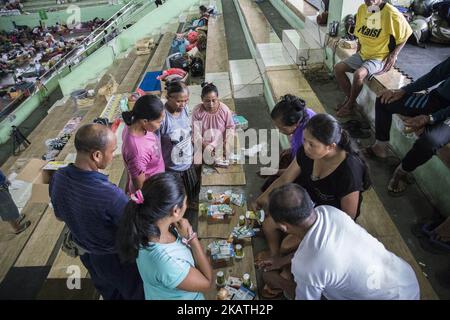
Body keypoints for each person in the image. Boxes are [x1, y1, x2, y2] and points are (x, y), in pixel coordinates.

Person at [254, 114, 371, 298]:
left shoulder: (349, 170)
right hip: (307, 208)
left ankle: (287, 270)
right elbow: (285, 178)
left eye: (311, 144)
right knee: (268, 224)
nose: (305, 147)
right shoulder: (307, 153)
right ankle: (276, 257)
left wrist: (310, 236)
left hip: (329, 223)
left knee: (287, 244)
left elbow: (347, 220)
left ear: (331, 146)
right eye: (305, 141)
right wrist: (259, 200)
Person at [265, 183, 420, 300]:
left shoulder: (307, 264)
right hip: (406, 281)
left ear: (283, 226)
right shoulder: (329, 212)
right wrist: (282, 261)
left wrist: (279, 282)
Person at [49, 124, 144, 300]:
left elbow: (59, 215)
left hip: (85, 252)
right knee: (134, 292)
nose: (113, 155)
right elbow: (134, 227)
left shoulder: (59, 177)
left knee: (108, 291)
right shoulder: (109, 195)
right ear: (97, 155)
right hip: (114, 258)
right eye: (112, 151)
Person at [117, 172, 213, 300]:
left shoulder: (144, 226)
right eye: (185, 202)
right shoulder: (168, 262)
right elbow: (208, 282)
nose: (186, 205)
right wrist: (192, 238)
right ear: (175, 211)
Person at [366, 57, 450, 196]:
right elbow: (436, 74)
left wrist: (430, 118)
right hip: (438, 99)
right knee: (384, 100)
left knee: (430, 141)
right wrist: (404, 90)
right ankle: (380, 147)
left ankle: (403, 171)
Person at [334, 0, 412, 117]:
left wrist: (393, 55)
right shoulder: (363, 9)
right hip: (363, 54)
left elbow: (407, 33)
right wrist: (359, 50)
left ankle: (349, 105)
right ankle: (352, 102)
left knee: (358, 75)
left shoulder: (391, 13)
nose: (370, 0)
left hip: (379, 57)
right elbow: (361, 33)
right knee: (338, 68)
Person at [261, 94, 316, 191]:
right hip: (303, 161)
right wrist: (292, 149)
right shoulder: (303, 112)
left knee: (273, 188)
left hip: (309, 174)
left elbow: (293, 173)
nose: (280, 131)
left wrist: (273, 171)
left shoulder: (305, 140)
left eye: (282, 128)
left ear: (295, 124)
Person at [160, 81, 200, 208]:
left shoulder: (185, 110)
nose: (183, 104)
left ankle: (191, 204)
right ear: (168, 97)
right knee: (176, 198)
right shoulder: (163, 118)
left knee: (193, 190)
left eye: (186, 100)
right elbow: (156, 144)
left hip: (187, 162)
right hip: (172, 167)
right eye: (179, 101)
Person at [122, 95, 165, 193]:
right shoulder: (138, 152)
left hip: (157, 179)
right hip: (151, 190)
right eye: (159, 122)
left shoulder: (131, 125)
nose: (161, 125)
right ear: (145, 121)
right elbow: (140, 188)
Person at [192, 82, 235, 163]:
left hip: (220, 142)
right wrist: (205, 146)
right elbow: (196, 133)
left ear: (217, 98)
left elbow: (230, 127)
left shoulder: (224, 110)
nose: (211, 104)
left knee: (225, 161)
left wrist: (227, 143)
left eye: (213, 100)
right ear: (202, 99)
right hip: (203, 143)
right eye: (207, 101)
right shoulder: (197, 111)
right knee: (197, 162)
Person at [0, 169, 31, 234]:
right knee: (6, 209)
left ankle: (16, 219)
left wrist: (4, 178)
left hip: (2, 184)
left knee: (9, 203)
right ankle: (16, 228)